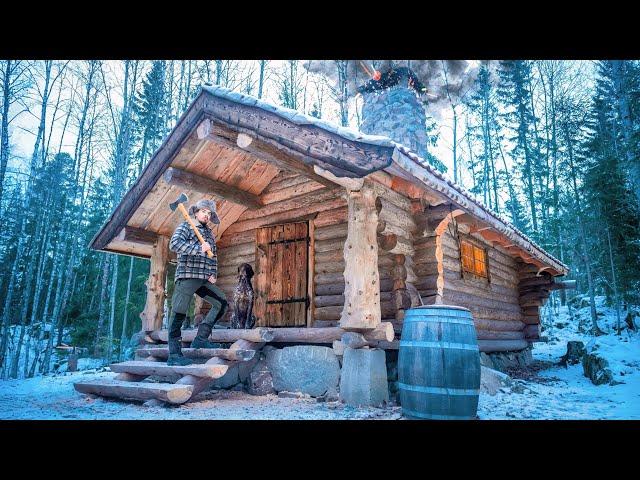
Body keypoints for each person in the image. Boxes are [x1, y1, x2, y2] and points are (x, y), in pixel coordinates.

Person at [166, 199, 228, 366]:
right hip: (187, 276)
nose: (206, 216)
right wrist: (197, 249)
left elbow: (212, 255)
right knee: (179, 313)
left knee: (221, 303)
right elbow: (175, 244)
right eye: (204, 212)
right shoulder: (186, 226)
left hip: (203, 279)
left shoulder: (208, 233)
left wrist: (212, 273)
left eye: (209, 214)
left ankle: (200, 339)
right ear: (196, 212)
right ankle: (174, 355)